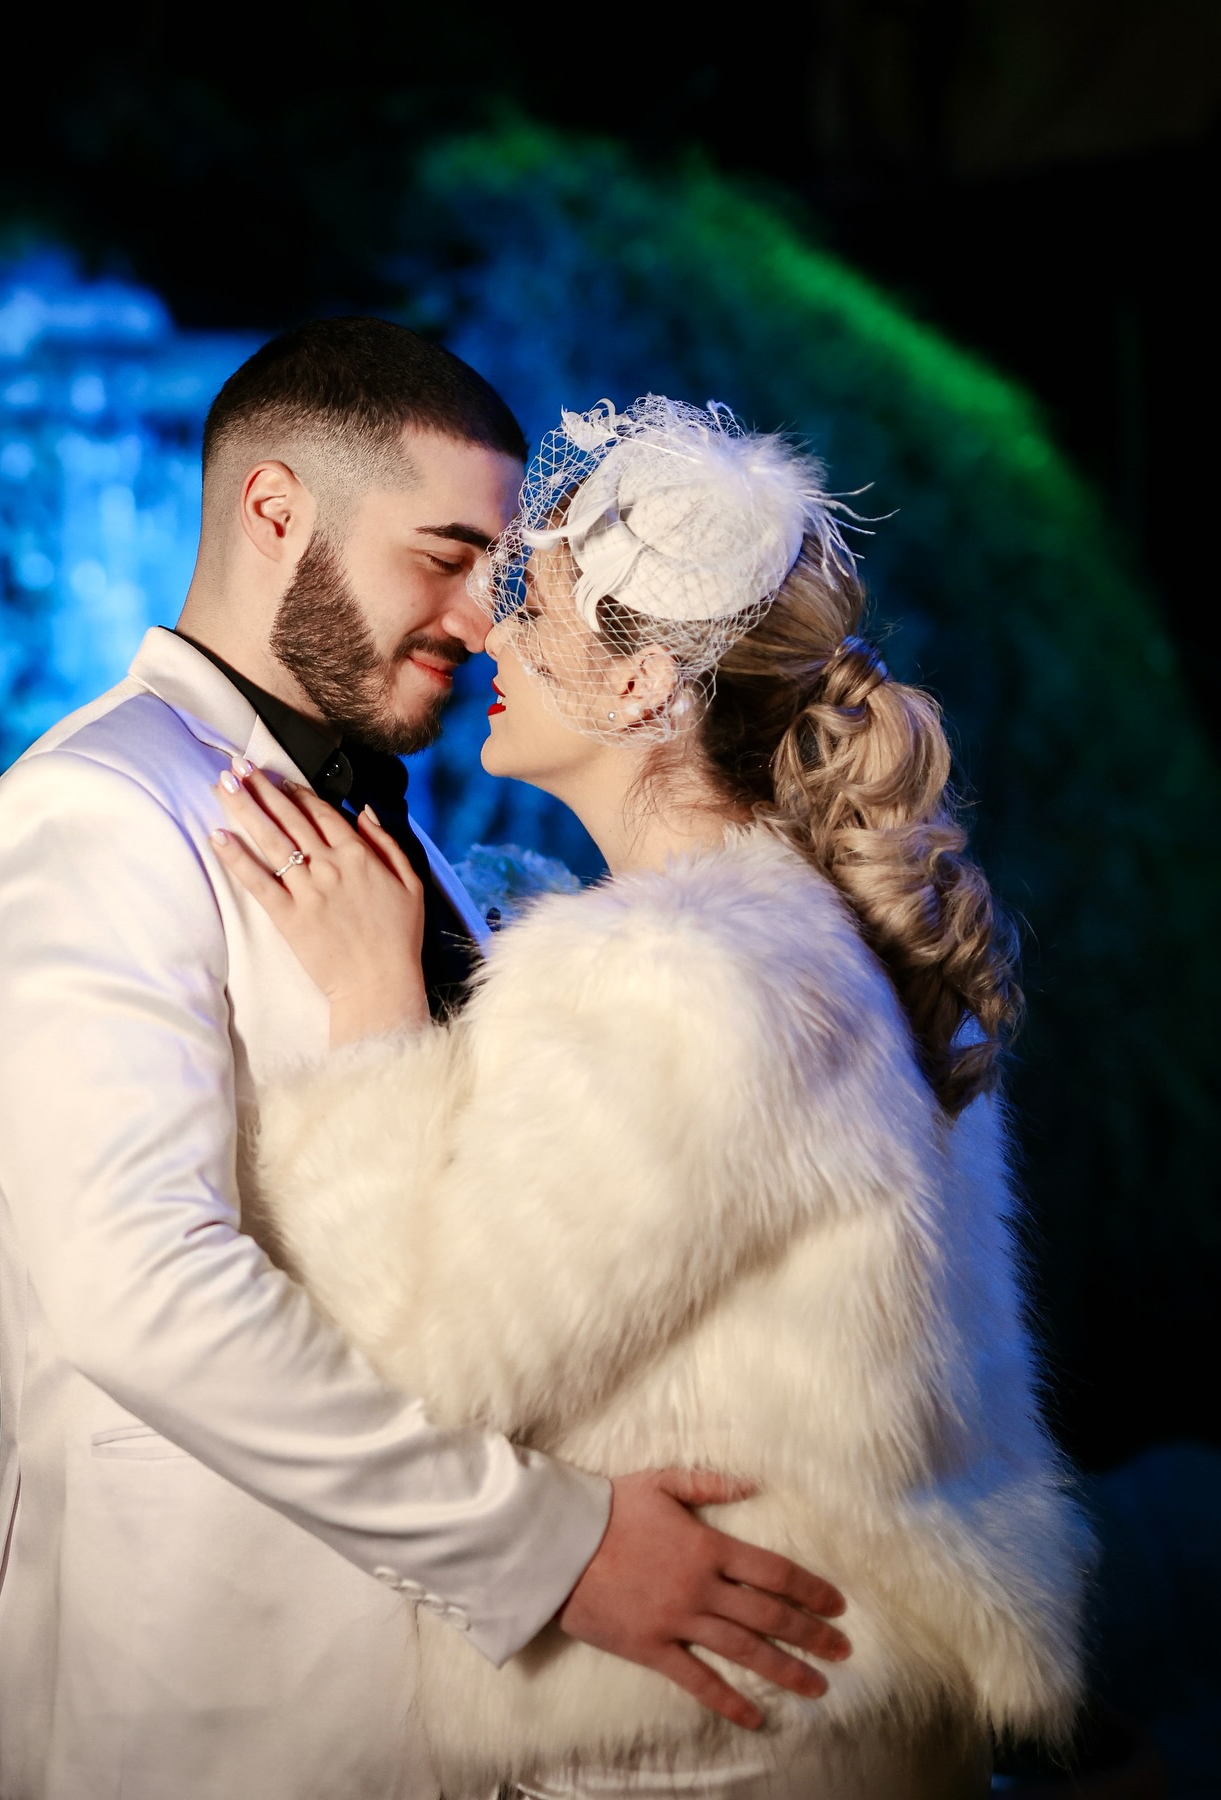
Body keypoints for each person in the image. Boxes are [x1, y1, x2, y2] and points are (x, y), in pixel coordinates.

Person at [0, 331, 850, 1800]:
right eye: (445, 557)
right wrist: (552, 1548)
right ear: (275, 511)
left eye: (500, 573)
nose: (485, 620)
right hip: (211, 1712)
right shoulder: (93, 816)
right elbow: (140, 1290)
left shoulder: (407, 835)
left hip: (459, 1724)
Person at [210, 396, 1089, 1798]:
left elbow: (421, 1377)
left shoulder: (675, 977)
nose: (487, 636)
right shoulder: (799, 930)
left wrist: (371, 1025)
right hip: (819, 1718)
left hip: (713, 1743)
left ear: (640, 686)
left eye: (533, 606)